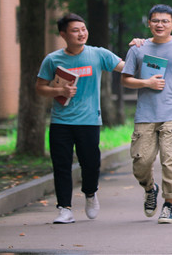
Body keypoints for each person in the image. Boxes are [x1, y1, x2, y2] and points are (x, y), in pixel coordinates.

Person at [35, 13, 125, 224]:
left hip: (89, 121)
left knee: (91, 164)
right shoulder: (53, 59)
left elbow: (126, 66)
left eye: (83, 29)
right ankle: (64, 208)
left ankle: (90, 193)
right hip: (60, 122)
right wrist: (58, 90)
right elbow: (40, 88)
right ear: (63, 34)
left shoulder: (98, 54)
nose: (81, 33)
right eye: (75, 30)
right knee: (61, 166)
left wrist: (142, 47)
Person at [121, 4, 172, 224]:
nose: (160, 25)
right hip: (145, 114)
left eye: (165, 21)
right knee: (141, 161)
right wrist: (145, 82)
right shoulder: (137, 48)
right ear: (149, 23)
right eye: (156, 21)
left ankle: (168, 205)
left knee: (171, 161)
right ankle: (150, 188)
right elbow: (125, 79)